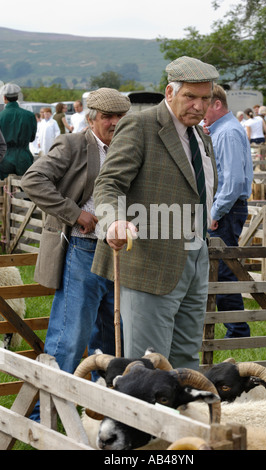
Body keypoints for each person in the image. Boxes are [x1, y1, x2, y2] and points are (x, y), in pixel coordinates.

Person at [92, 56, 219, 371]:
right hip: (149, 258)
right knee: (147, 364)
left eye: (206, 98)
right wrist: (113, 221)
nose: (199, 105)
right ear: (170, 92)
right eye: (190, 96)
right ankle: (140, 421)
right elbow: (108, 183)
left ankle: (181, 419)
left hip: (195, 254)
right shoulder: (140, 124)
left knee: (187, 359)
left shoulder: (200, 135)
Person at [21, 88, 131, 385]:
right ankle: (42, 415)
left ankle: (103, 413)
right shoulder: (73, 144)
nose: (115, 122)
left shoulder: (130, 147)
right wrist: (74, 212)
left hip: (120, 251)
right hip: (85, 248)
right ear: (92, 119)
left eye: (121, 116)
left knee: (111, 337)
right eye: (108, 117)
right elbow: (33, 179)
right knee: (69, 336)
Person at [203, 84, 253, 338]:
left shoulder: (228, 133)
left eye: (205, 103)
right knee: (220, 269)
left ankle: (237, 330)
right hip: (227, 208)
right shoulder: (221, 130)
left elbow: (232, 182)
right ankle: (234, 327)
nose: (200, 109)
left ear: (217, 104)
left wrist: (215, 212)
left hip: (227, 209)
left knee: (223, 270)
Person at [0, 83, 37, 179]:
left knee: (3, 189)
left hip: (4, 157)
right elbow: (32, 138)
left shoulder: (0, 116)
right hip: (23, 157)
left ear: (4, 98)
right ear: (17, 97)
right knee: (25, 189)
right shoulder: (29, 115)